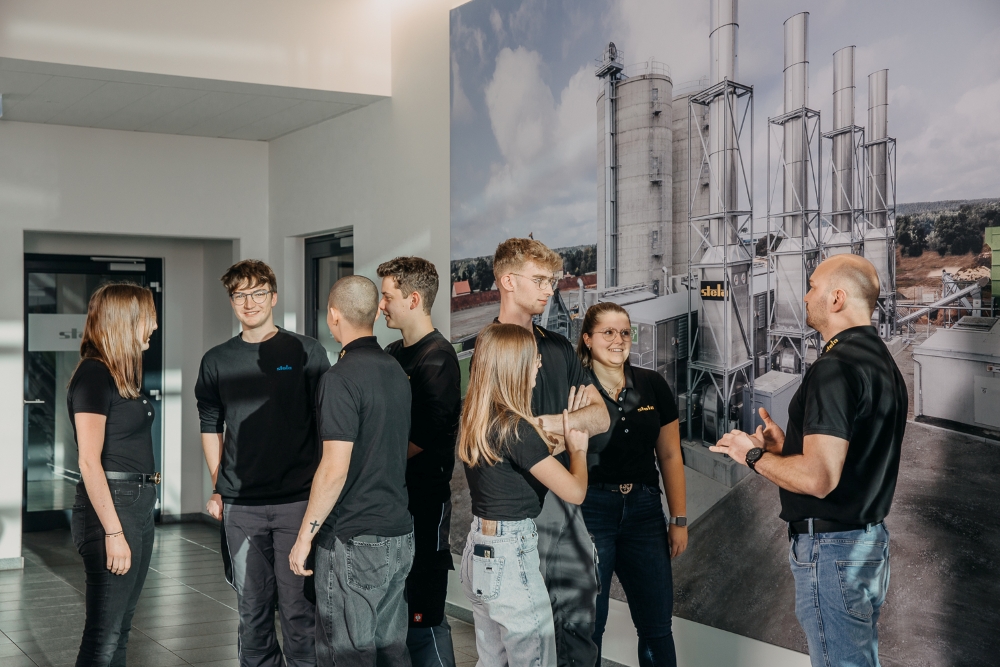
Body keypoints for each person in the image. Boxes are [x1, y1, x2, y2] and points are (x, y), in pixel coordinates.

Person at [710, 254, 907, 667]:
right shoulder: (881, 362)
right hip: (865, 545)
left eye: (813, 287)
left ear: (837, 298)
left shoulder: (834, 368)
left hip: (834, 552)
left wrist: (751, 454)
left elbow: (819, 478)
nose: (803, 296)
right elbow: (850, 457)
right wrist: (784, 450)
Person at [195, 260, 330, 667]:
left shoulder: (306, 351)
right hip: (242, 507)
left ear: (273, 297)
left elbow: (327, 424)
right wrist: (219, 484)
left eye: (258, 293)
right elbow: (210, 425)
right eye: (240, 295)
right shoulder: (217, 360)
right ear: (231, 301)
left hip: (297, 503)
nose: (249, 302)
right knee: (252, 614)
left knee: (299, 613)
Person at [489, 237, 611, 666]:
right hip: (515, 513)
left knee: (578, 621)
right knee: (522, 642)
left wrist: (542, 426)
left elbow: (600, 417)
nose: (549, 289)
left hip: (564, 505)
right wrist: (568, 427)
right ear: (508, 281)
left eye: (552, 280)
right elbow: (495, 436)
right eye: (539, 280)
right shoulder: (491, 349)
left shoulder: (557, 347)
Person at [289, 275, 414, 667]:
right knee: (392, 650)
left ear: (333, 316)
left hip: (354, 540)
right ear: (375, 314)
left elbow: (334, 469)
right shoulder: (396, 370)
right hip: (399, 535)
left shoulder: (339, 378)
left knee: (347, 654)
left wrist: (305, 537)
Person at [459, 323, 591, 667]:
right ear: (515, 367)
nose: (540, 364)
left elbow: (526, 456)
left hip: (479, 550)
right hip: (510, 554)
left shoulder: (479, 419)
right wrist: (578, 449)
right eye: (534, 359)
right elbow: (575, 491)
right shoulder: (517, 429)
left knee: (492, 661)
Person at [577, 302, 687, 667]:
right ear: (587, 339)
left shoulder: (652, 384)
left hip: (644, 512)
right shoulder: (574, 387)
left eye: (625, 332)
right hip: (590, 511)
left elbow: (670, 455)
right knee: (590, 627)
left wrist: (679, 519)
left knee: (657, 627)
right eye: (608, 332)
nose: (618, 339)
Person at [69, 283, 159, 666]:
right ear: (126, 321)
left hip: (136, 504)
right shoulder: (94, 374)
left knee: (120, 629)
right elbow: (89, 462)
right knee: (104, 636)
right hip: (114, 508)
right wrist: (113, 533)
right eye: (149, 318)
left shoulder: (118, 374)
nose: (154, 326)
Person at [377, 257, 461, 667]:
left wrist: (369, 464)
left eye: (387, 296)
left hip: (424, 504)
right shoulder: (392, 353)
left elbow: (423, 436)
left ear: (413, 299)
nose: (380, 306)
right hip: (393, 500)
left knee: (424, 614)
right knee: (394, 610)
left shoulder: (438, 358)